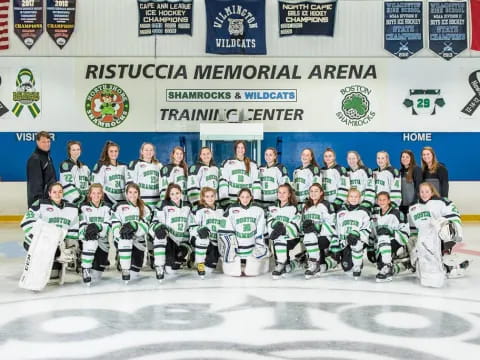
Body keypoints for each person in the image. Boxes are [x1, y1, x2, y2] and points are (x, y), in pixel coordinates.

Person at [408, 182, 468, 287]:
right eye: (422, 191)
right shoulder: (414, 207)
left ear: (432, 192)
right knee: (417, 266)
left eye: (427, 191)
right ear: (418, 193)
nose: (424, 194)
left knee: (441, 223)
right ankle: (451, 267)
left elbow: (454, 218)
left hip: (439, 239)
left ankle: (446, 259)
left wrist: (450, 234)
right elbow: (413, 228)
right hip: (422, 241)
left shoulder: (441, 202)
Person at [20, 182, 79, 283]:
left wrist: (70, 248)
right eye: (54, 192)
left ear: (63, 193)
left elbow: (73, 231)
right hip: (36, 243)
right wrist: (39, 238)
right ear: (49, 193)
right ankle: (36, 266)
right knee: (41, 271)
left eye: (60, 192)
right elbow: (26, 223)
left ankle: (55, 260)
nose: (57, 194)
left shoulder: (71, 209)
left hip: (55, 244)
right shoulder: (40, 204)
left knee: (53, 275)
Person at [220, 188, 269, 276]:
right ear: (239, 197)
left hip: (252, 244)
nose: (245, 199)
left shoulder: (258, 209)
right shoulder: (231, 209)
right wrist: (231, 247)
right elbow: (226, 230)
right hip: (237, 245)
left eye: (247, 197)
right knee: (234, 269)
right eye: (242, 197)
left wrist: (259, 244)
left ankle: (251, 261)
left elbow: (261, 230)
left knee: (252, 270)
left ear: (251, 197)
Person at [150, 183, 194, 280]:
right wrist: (158, 228)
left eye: (177, 193)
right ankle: (159, 265)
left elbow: (192, 225)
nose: (175, 196)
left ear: (181, 193)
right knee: (169, 270)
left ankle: (178, 259)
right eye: (172, 194)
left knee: (173, 269)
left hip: (182, 241)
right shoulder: (163, 204)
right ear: (169, 195)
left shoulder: (187, 206)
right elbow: (155, 222)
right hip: (169, 240)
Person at [112, 183, 152, 283]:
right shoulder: (119, 206)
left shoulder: (145, 208)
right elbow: (115, 224)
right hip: (123, 239)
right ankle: (124, 266)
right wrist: (120, 233)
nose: (132, 195)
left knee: (135, 272)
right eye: (130, 192)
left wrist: (134, 226)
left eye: (135, 192)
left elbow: (145, 226)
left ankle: (123, 260)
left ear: (138, 194)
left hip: (138, 241)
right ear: (126, 193)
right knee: (126, 239)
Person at [301, 183, 338, 279]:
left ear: (321, 193)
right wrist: (304, 228)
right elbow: (302, 224)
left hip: (325, 236)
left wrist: (317, 227)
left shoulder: (326, 205)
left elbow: (332, 224)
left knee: (312, 237)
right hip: (312, 237)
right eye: (311, 191)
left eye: (316, 191)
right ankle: (331, 261)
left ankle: (314, 263)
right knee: (322, 267)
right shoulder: (306, 207)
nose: (313, 193)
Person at [371, 192, 410, 282]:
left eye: (384, 199)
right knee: (380, 265)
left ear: (389, 201)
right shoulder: (375, 214)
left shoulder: (397, 214)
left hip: (396, 243)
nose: (382, 201)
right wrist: (370, 248)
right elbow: (372, 232)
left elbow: (405, 235)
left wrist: (391, 232)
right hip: (380, 245)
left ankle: (388, 266)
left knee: (384, 236)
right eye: (380, 200)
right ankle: (403, 265)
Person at [79, 184, 113, 285]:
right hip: (89, 239)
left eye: (99, 193)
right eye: (94, 193)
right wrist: (87, 232)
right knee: (91, 241)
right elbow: (81, 225)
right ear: (90, 194)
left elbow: (108, 225)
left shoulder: (107, 207)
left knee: (97, 276)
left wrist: (98, 227)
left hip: (103, 242)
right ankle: (85, 268)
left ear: (102, 194)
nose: (96, 195)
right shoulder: (84, 207)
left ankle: (93, 266)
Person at [267, 183, 301, 279]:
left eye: (284, 192)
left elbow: (296, 224)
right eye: (279, 192)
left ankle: (281, 264)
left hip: (292, 238)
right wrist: (276, 226)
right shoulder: (272, 208)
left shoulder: (293, 208)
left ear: (289, 194)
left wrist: (284, 230)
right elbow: (269, 222)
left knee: (280, 235)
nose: (281, 195)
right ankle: (295, 262)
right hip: (277, 238)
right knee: (288, 268)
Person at [336, 188, 371, 279]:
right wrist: (339, 242)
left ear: (360, 198)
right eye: (351, 196)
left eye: (356, 197)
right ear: (347, 198)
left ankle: (357, 266)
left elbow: (367, 228)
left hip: (358, 240)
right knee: (346, 267)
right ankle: (353, 258)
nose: (353, 198)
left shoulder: (364, 211)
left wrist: (357, 235)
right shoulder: (341, 212)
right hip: (345, 241)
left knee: (356, 244)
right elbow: (338, 228)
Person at [190, 187, 225, 277]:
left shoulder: (220, 210)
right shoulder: (198, 209)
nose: (210, 198)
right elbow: (192, 225)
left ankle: (194, 256)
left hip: (215, 241)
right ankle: (200, 263)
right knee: (203, 238)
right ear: (203, 198)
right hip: (201, 238)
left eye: (212, 196)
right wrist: (200, 231)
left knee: (210, 269)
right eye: (207, 196)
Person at [219, 140, 261, 207]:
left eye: (242, 147)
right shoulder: (227, 163)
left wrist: (256, 200)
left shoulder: (253, 164)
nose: (240, 150)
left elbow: (256, 183)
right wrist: (224, 200)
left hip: (247, 200)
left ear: (245, 149)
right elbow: (224, 182)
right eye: (238, 147)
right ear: (235, 149)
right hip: (232, 200)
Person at [92, 141, 127, 206]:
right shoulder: (101, 165)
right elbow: (97, 187)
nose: (114, 153)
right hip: (108, 201)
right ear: (107, 152)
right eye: (111, 151)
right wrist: (110, 201)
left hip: (123, 201)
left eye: (116, 151)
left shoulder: (124, 166)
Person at [127, 142, 163, 206]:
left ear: (154, 152)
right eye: (146, 150)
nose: (149, 152)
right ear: (141, 151)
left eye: (151, 150)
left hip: (157, 200)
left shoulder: (159, 165)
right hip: (141, 200)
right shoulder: (136, 164)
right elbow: (130, 184)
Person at [26, 131, 56, 207]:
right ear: (37, 142)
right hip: (41, 202)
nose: (47, 144)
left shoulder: (47, 157)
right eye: (43, 142)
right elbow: (35, 185)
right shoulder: (35, 159)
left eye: (48, 141)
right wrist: (39, 203)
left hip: (49, 199)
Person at [59, 141, 90, 206]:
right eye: (73, 150)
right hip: (72, 201)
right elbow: (67, 185)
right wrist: (78, 199)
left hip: (85, 201)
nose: (76, 152)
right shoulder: (65, 165)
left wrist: (88, 197)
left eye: (78, 149)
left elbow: (89, 183)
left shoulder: (85, 166)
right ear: (69, 151)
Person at [399, 150, 422, 216]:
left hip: (413, 204)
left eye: (407, 157)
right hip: (403, 205)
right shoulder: (400, 171)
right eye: (403, 157)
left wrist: (414, 202)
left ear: (411, 158)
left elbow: (419, 187)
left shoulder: (416, 169)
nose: (404, 159)